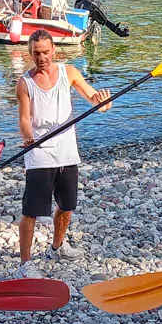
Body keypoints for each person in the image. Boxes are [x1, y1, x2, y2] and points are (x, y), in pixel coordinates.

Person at [13, 29, 111, 278]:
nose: (42, 57)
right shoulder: (24, 83)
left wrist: (102, 102)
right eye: (36, 53)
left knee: (67, 206)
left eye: (46, 52)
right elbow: (25, 119)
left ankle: (57, 247)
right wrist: (28, 138)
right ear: (30, 54)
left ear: (54, 50)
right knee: (31, 210)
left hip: (67, 152)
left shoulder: (69, 73)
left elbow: (92, 96)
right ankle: (25, 263)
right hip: (39, 152)